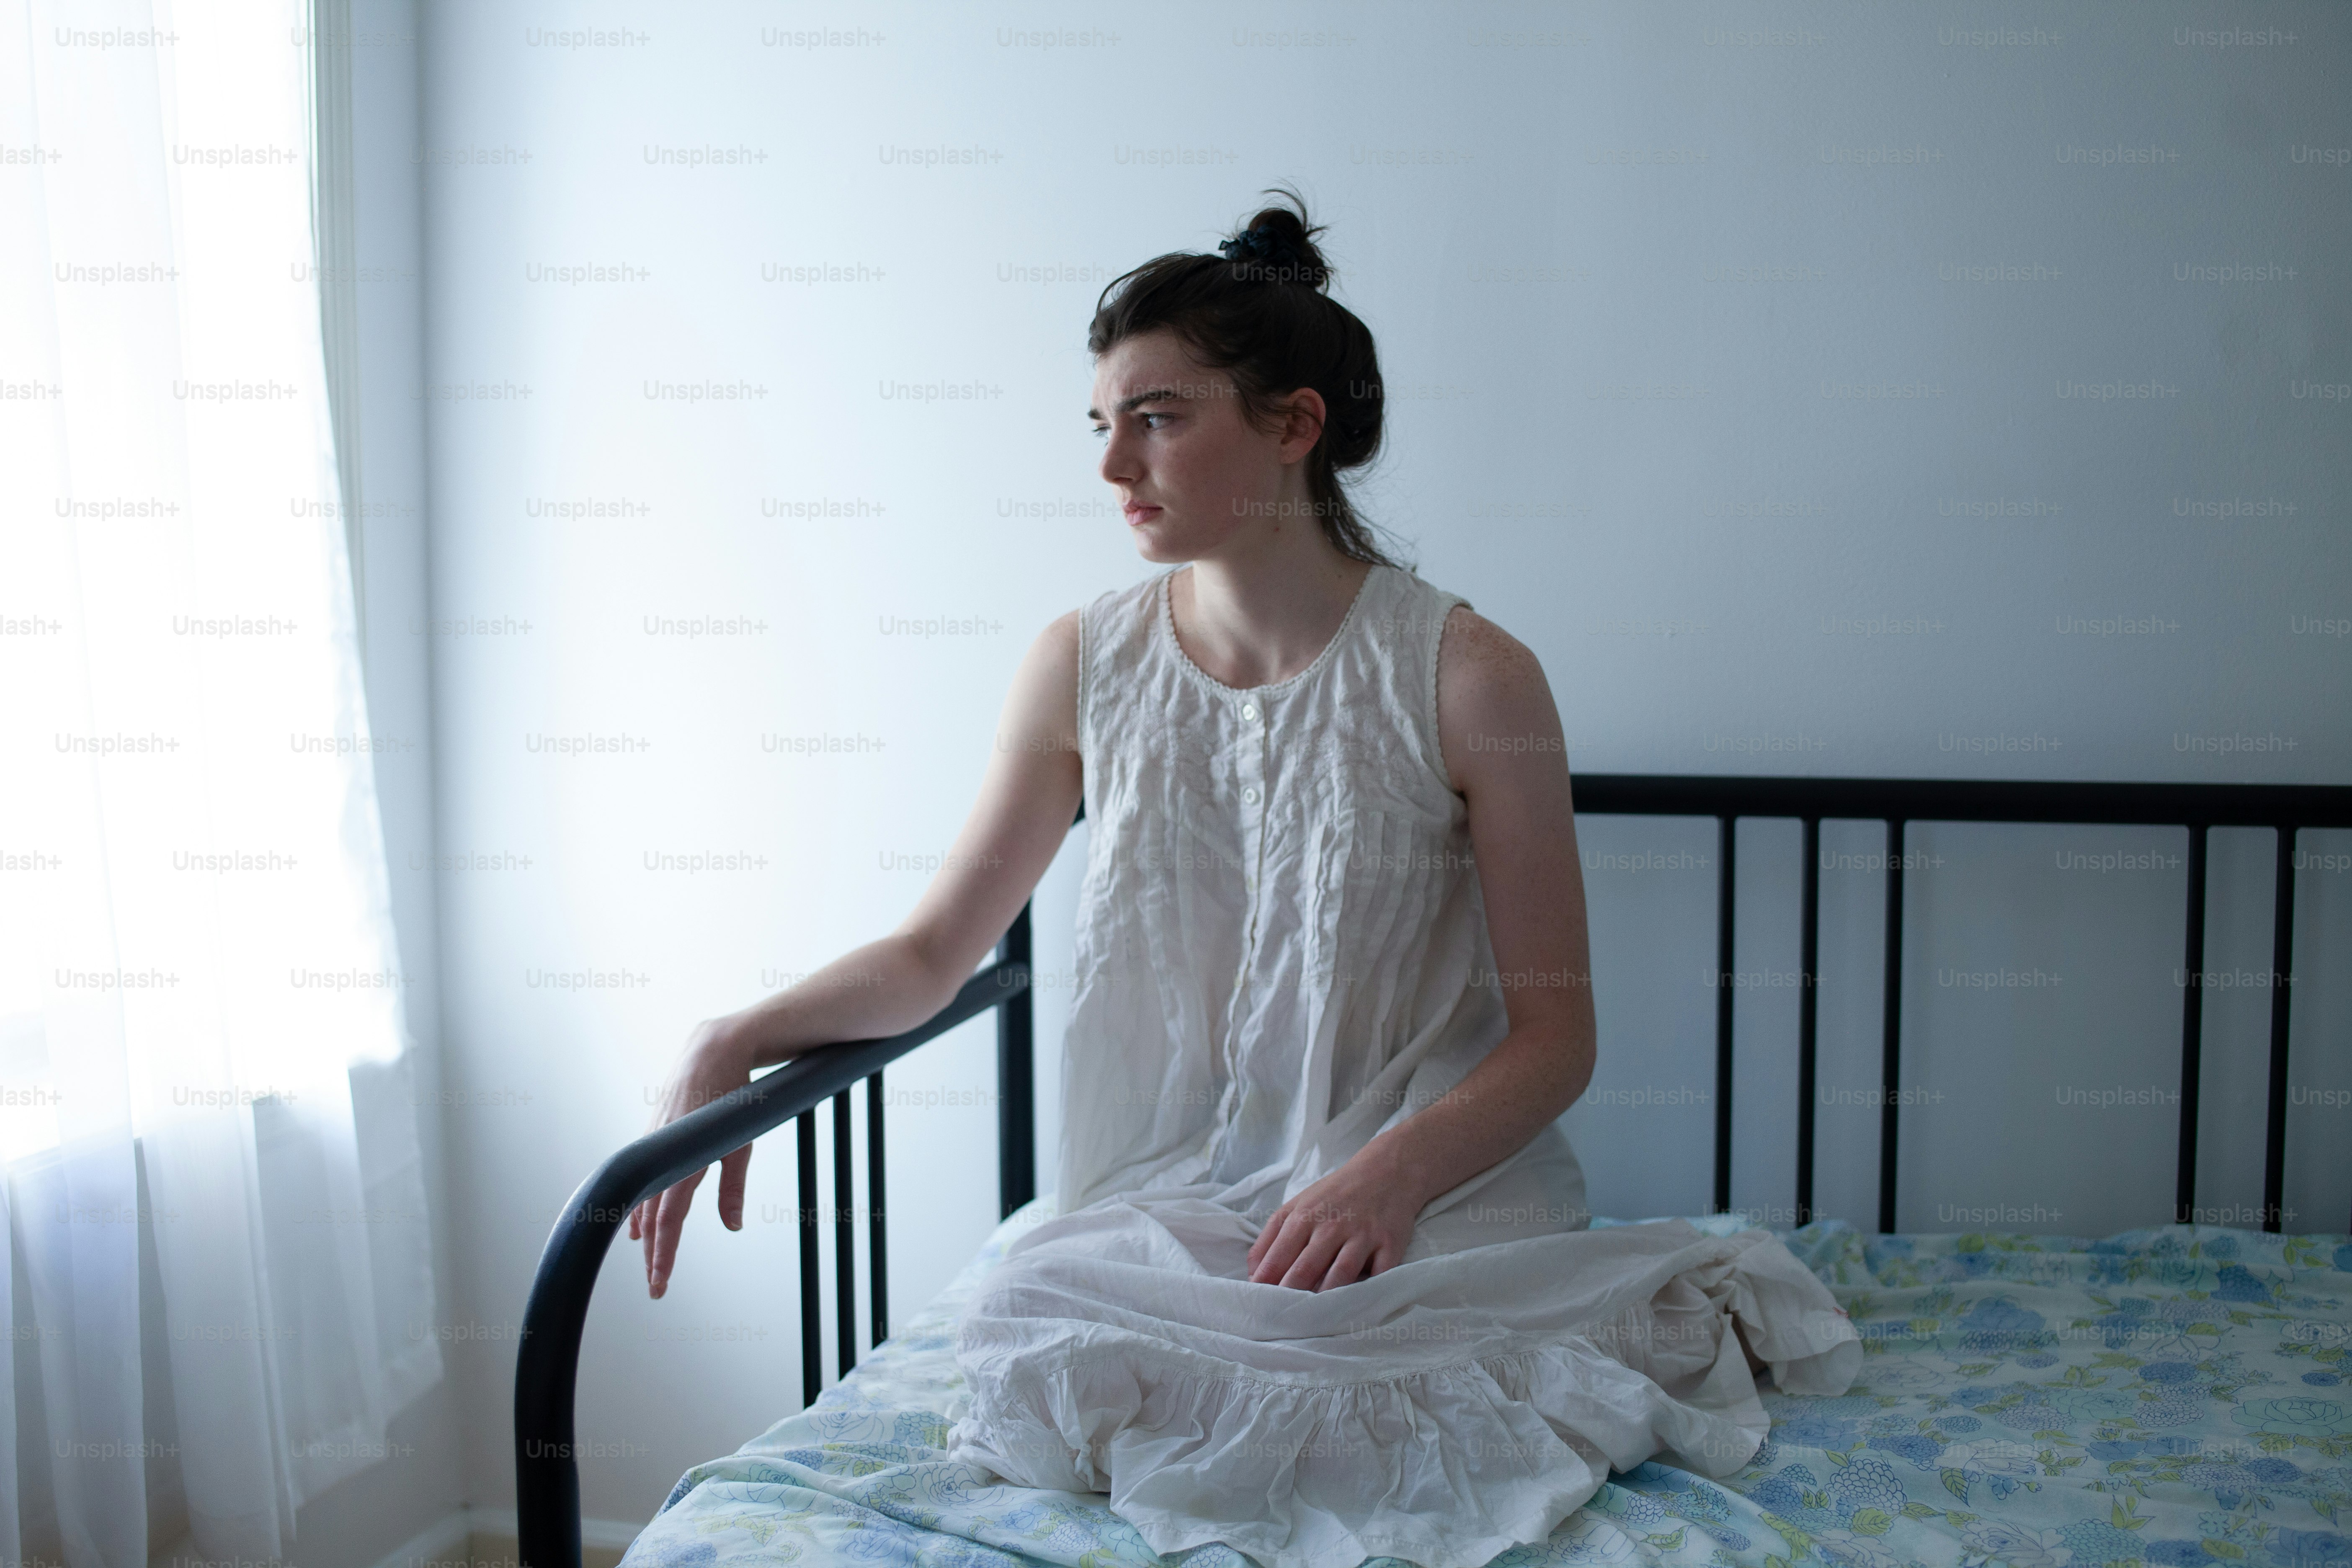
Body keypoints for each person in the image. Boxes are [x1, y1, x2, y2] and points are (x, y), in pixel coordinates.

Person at [633, 191, 1859, 1568]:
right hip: (1167, 1201)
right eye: (1101, 424)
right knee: (1031, 1306)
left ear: (1293, 425)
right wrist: (734, 1035)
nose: (1114, 468)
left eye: (1157, 417)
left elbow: (1556, 1038)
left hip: (1424, 1195)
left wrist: (1382, 1180)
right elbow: (934, 956)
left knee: (1342, 1375)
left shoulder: (1471, 675)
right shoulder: (1080, 661)